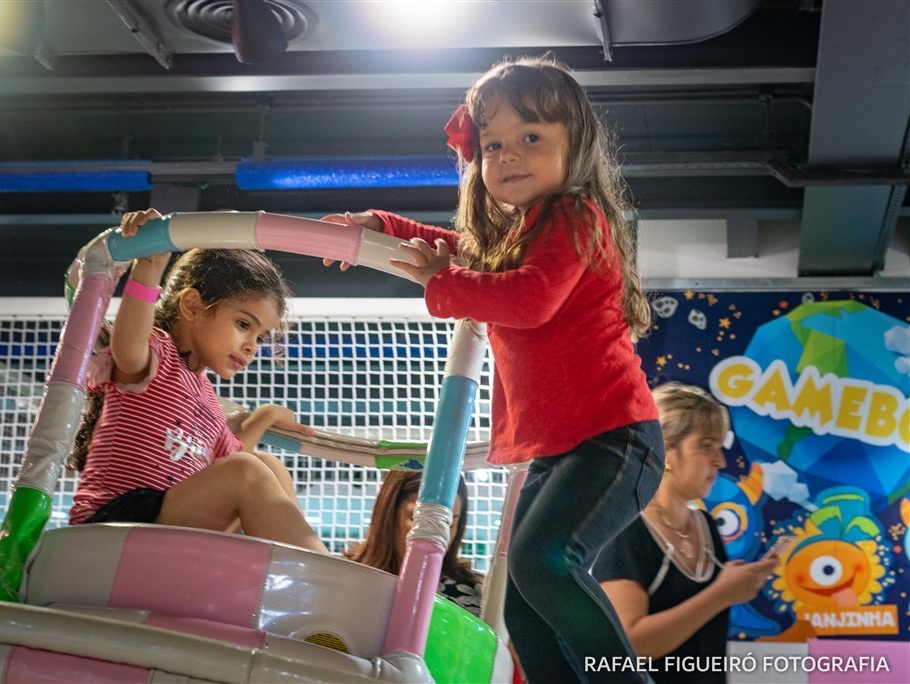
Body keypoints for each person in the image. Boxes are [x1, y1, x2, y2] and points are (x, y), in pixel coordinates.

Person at [323, 54, 663, 683]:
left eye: (531, 138)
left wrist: (442, 282)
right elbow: (457, 250)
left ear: (576, 146)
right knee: (527, 601)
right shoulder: (517, 235)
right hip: (564, 449)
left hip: (615, 438)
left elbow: (529, 301)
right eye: (493, 144)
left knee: (545, 562)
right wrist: (382, 226)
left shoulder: (574, 215)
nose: (508, 156)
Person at [67, 208, 327, 554]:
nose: (251, 346)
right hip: (114, 522)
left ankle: (298, 568)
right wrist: (149, 267)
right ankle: (318, 573)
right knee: (247, 470)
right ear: (191, 305)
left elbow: (235, 461)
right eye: (244, 325)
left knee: (268, 466)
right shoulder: (156, 354)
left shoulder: (206, 398)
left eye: (261, 338)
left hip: (165, 524)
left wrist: (263, 417)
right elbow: (127, 348)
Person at [592, 383, 778, 683]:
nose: (721, 461)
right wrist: (721, 594)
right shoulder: (626, 528)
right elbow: (629, 644)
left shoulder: (705, 525)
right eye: (706, 446)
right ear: (665, 448)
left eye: (720, 446)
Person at [345, 470, 483, 616]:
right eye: (421, 520)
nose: (438, 536)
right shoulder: (342, 579)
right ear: (389, 514)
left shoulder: (477, 594)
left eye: (449, 523)